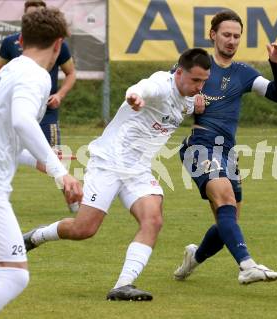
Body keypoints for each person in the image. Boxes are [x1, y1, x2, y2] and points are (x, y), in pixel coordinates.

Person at [23, 48, 211, 301]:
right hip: (108, 163)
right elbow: (142, 88)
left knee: (153, 220)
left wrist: (198, 103)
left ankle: (124, 285)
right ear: (178, 73)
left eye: (203, 82)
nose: (199, 86)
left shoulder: (189, 99)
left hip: (138, 170)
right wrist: (134, 97)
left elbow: (188, 105)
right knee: (84, 229)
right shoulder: (160, 84)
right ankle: (37, 236)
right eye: (195, 80)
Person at [173, 10, 277, 284]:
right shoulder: (197, 65)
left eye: (237, 36)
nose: (232, 40)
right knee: (225, 200)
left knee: (228, 221)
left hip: (226, 151)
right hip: (199, 145)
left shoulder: (243, 73)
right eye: (226, 34)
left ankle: (195, 257)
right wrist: (190, 102)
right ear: (213, 35)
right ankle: (247, 265)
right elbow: (168, 95)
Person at [0, 8, 82, 317]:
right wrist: (61, 174)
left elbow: (5, 138)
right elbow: (21, 122)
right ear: (58, 45)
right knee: (14, 275)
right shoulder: (36, 76)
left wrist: (38, 161)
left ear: (20, 39)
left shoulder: (10, 69)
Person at [0, 0, 76, 148]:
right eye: (32, 16)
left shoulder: (43, 69)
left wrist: (59, 95)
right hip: (13, 108)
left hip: (47, 108)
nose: (37, 21)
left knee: (52, 153)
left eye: (41, 16)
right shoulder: (13, 48)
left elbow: (71, 73)